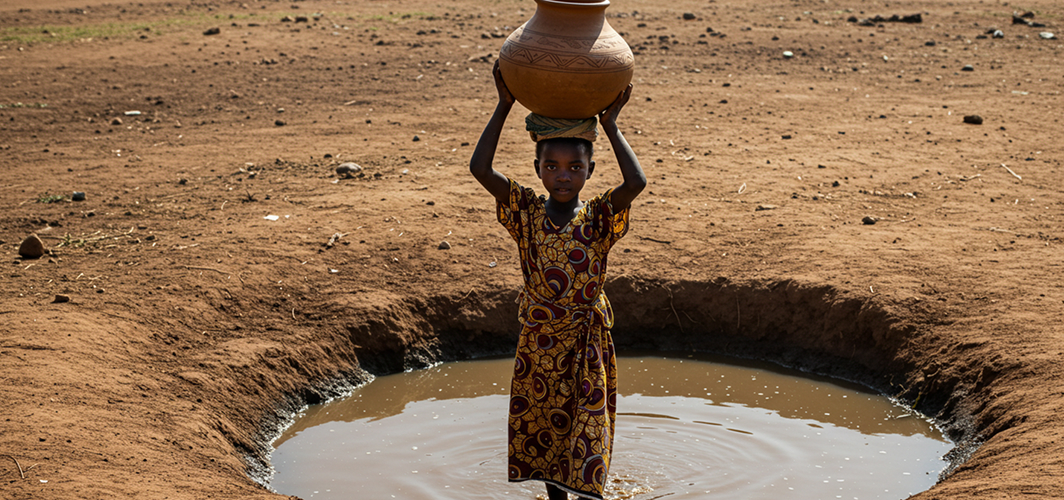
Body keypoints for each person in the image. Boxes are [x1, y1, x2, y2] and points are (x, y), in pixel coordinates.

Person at [469, 62, 646, 500]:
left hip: (586, 337)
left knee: (586, 420)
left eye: (573, 167)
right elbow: (480, 168)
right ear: (537, 168)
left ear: (588, 170)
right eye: (552, 166)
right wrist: (503, 104)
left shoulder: (601, 215)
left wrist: (610, 125)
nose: (562, 175)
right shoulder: (526, 211)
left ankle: (585, 489)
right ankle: (556, 497)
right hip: (541, 338)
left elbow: (636, 182)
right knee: (546, 421)